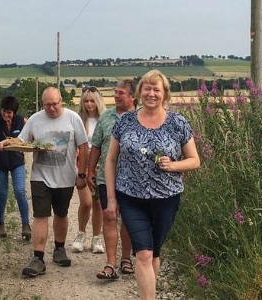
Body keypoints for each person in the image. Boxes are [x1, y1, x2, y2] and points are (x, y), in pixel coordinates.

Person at [104, 70, 200, 299]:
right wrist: (111, 198)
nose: (151, 93)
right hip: (131, 197)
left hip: (166, 199)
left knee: (154, 253)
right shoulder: (125, 122)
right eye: (147, 88)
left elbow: (195, 160)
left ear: (164, 94)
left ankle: (148, 292)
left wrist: (173, 165)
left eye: (156, 89)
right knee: (144, 255)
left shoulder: (178, 123)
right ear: (139, 92)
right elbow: (110, 159)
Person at [0, 87, 89, 277]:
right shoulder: (35, 120)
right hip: (41, 176)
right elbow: (22, 141)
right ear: (42, 104)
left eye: (54, 104)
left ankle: (59, 249)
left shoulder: (73, 118)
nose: (51, 108)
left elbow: (84, 146)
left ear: (61, 101)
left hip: (65, 176)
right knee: (40, 215)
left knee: (61, 214)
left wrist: (81, 174)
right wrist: (7, 143)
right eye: (47, 105)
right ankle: (38, 258)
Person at [87, 79, 137, 280]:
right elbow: (96, 145)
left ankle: (126, 259)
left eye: (121, 93)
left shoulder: (140, 117)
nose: (116, 96)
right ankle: (110, 264)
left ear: (133, 97)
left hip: (133, 179)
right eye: (115, 92)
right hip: (105, 178)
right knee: (109, 216)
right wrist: (90, 169)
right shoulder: (106, 117)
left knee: (128, 219)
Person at [0, 95, 31, 239]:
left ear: (14, 113)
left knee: (20, 191)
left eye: (9, 112)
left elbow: (29, 137)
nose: (6, 115)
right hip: (0, 163)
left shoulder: (22, 121)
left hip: (16, 162)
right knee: (2, 193)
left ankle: (26, 224)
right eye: (4, 111)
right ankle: (0, 223)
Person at [71, 86, 106, 253]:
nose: (89, 104)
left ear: (98, 102)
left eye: (92, 100)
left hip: (100, 164)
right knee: (86, 202)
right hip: (82, 163)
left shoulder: (104, 120)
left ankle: (96, 237)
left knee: (97, 202)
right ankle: (81, 233)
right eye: (86, 100)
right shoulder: (78, 120)